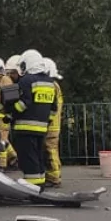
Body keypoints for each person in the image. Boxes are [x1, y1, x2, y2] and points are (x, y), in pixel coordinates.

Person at [8, 50, 56, 187]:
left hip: (25, 127)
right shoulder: (50, 82)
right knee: (38, 156)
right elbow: (53, 109)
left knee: (28, 158)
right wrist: (45, 121)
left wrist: (11, 112)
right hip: (42, 128)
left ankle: (31, 185)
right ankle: (40, 181)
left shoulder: (26, 80)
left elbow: (24, 103)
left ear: (29, 63)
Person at [42, 57, 64, 187]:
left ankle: (54, 177)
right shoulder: (55, 85)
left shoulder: (52, 86)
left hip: (51, 124)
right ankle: (54, 174)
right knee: (52, 149)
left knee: (50, 150)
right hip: (53, 124)